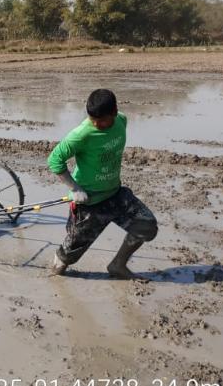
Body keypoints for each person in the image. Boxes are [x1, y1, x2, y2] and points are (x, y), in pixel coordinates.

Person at [47, 89, 158, 280]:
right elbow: (54, 160)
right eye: (93, 119)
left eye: (102, 120)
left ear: (114, 112)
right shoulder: (81, 134)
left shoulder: (121, 120)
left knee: (146, 226)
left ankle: (118, 265)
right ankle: (54, 278)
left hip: (115, 194)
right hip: (89, 203)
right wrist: (75, 188)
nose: (96, 124)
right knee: (66, 258)